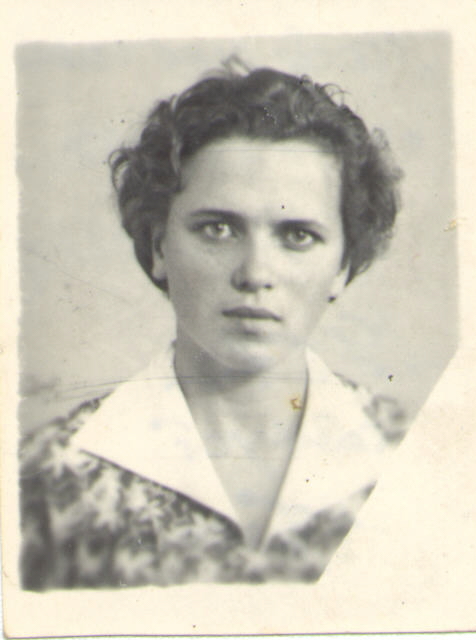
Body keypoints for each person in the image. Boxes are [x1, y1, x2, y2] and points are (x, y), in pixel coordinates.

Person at [19, 60, 406, 590]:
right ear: (159, 246)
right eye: (219, 229)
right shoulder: (43, 477)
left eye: (297, 236)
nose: (255, 274)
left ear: (342, 265)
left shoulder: (415, 458)